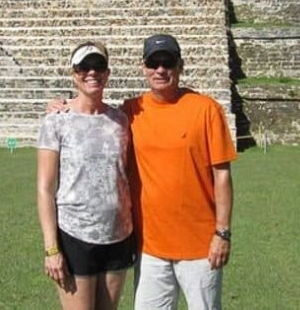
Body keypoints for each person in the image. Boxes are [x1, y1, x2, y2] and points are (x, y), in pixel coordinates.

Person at [49, 34, 237, 309]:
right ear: (144, 67)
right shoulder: (131, 111)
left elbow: (222, 175)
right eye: (153, 62)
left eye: (168, 62)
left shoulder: (206, 109)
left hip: (201, 248)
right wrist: (62, 103)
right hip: (150, 248)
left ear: (180, 66)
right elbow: (93, 110)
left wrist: (222, 233)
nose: (160, 69)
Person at [37, 42, 136, 310]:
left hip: (118, 235)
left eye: (98, 66)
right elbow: (45, 188)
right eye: (84, 67)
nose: (92, 73)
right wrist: (51, 249)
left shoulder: (121, 120)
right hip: (75, 235)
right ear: (74, 74)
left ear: (108, 72)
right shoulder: (57, 120)